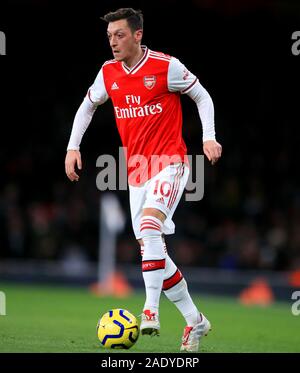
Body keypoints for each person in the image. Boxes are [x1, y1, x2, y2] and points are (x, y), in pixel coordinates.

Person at [65, 8, 222, 352]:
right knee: (153, 251)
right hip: (136, 171)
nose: (113, 42)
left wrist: (208, 137)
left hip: (171, 162)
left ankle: (150, 310)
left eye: (119, 35)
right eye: (109, 37)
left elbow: (202, 95)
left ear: (137, 35)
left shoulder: (166, 67)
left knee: (150, 229)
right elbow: (87, 106)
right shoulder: (108, 73)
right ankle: (195, 322)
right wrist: (72, 147)